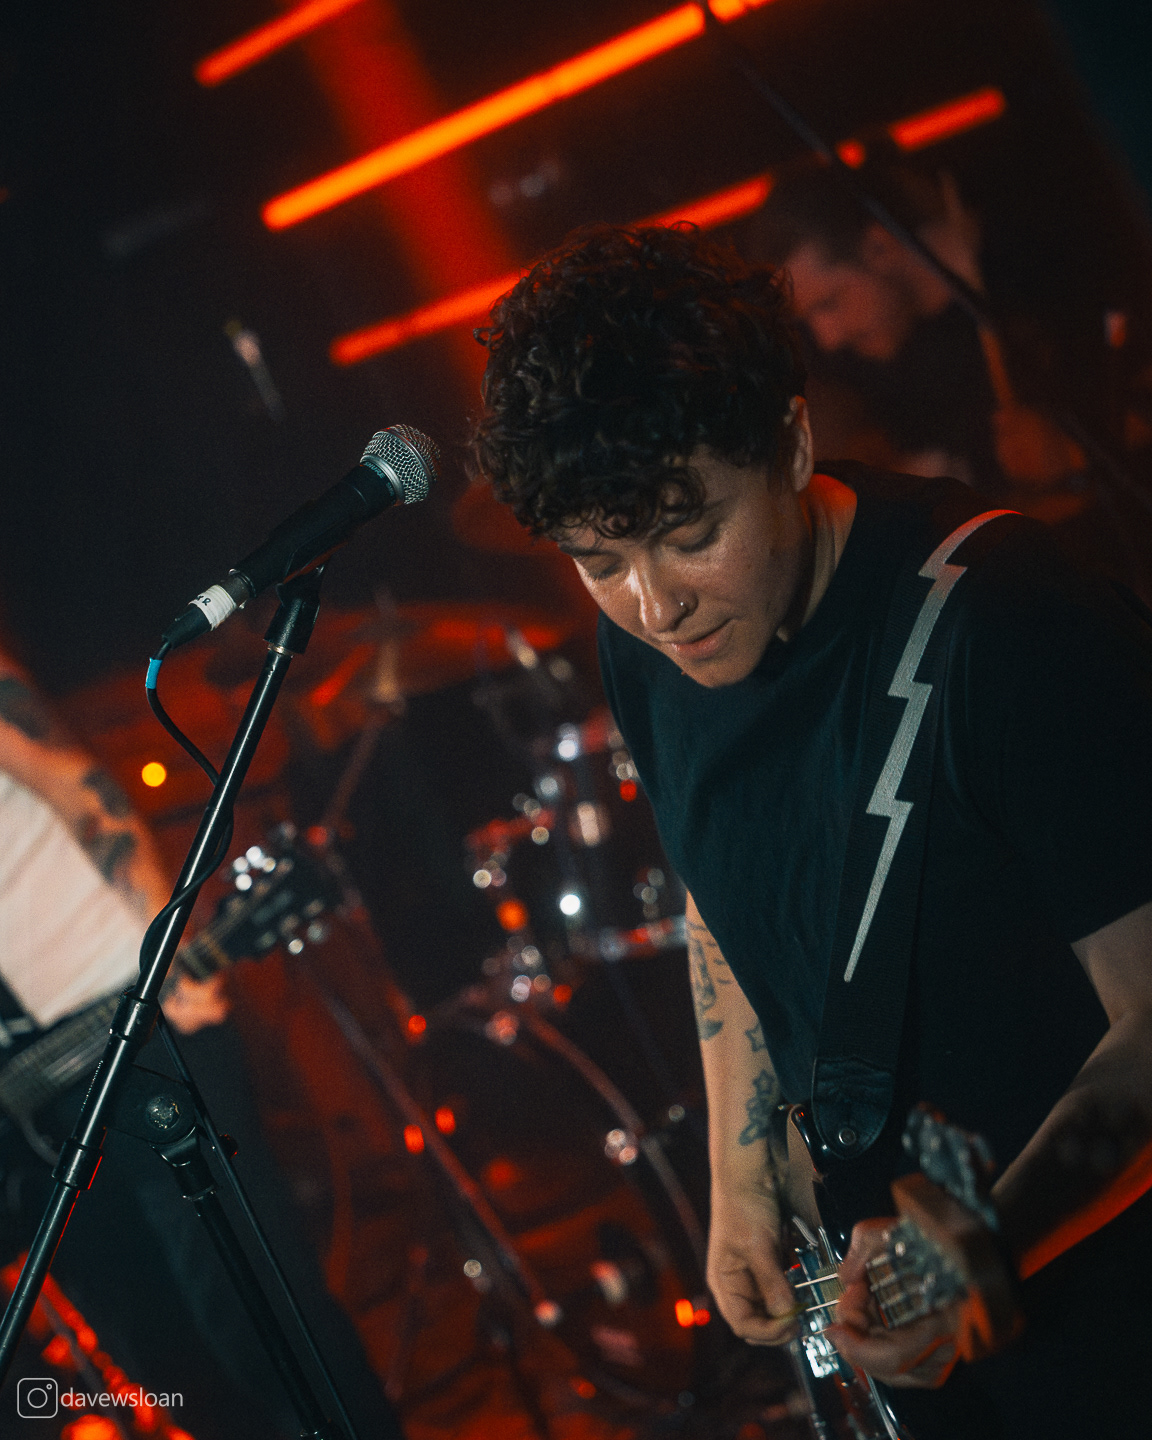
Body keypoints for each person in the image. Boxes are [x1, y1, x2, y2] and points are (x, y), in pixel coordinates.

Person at [468, 223, 1152, 1439]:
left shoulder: (1008, 620)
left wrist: (994, 1241)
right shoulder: (651, 653)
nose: (655, 603)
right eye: (598, 560)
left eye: (691, 535)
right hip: (926, 1356)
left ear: (788, 444)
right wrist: (741, 1170)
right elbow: (721, 884)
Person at [0, 650, 401, 1439]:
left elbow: (80, 788)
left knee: (268, 1329)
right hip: (25, 1111)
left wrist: (165, 953)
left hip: (127, 1013)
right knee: (165, 1369)